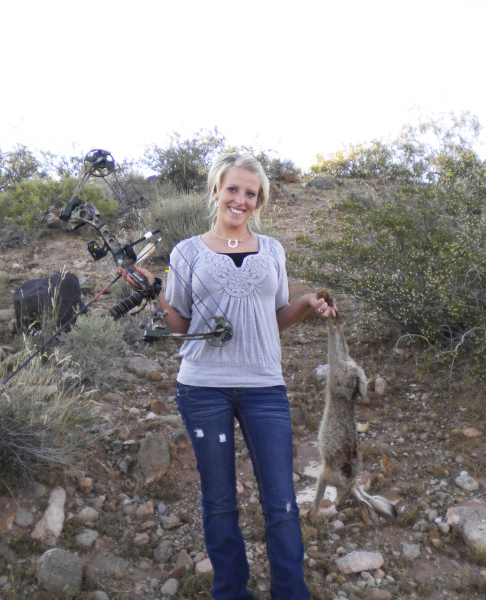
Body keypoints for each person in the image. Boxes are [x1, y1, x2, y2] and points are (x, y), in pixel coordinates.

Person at [119, 152, 335, 600]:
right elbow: (179, 325)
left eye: (250, 193)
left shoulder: (272, 249)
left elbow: (273, 318)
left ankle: (291, 593)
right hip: (202, 388)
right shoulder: (187, 252)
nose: (240, 200)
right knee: (219, 501)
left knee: (281, 501)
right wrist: (153, 294)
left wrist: (309, 301)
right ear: (216, 190)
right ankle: (231, 592)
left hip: (264, 387)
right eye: (233, 189)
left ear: (259, 201)